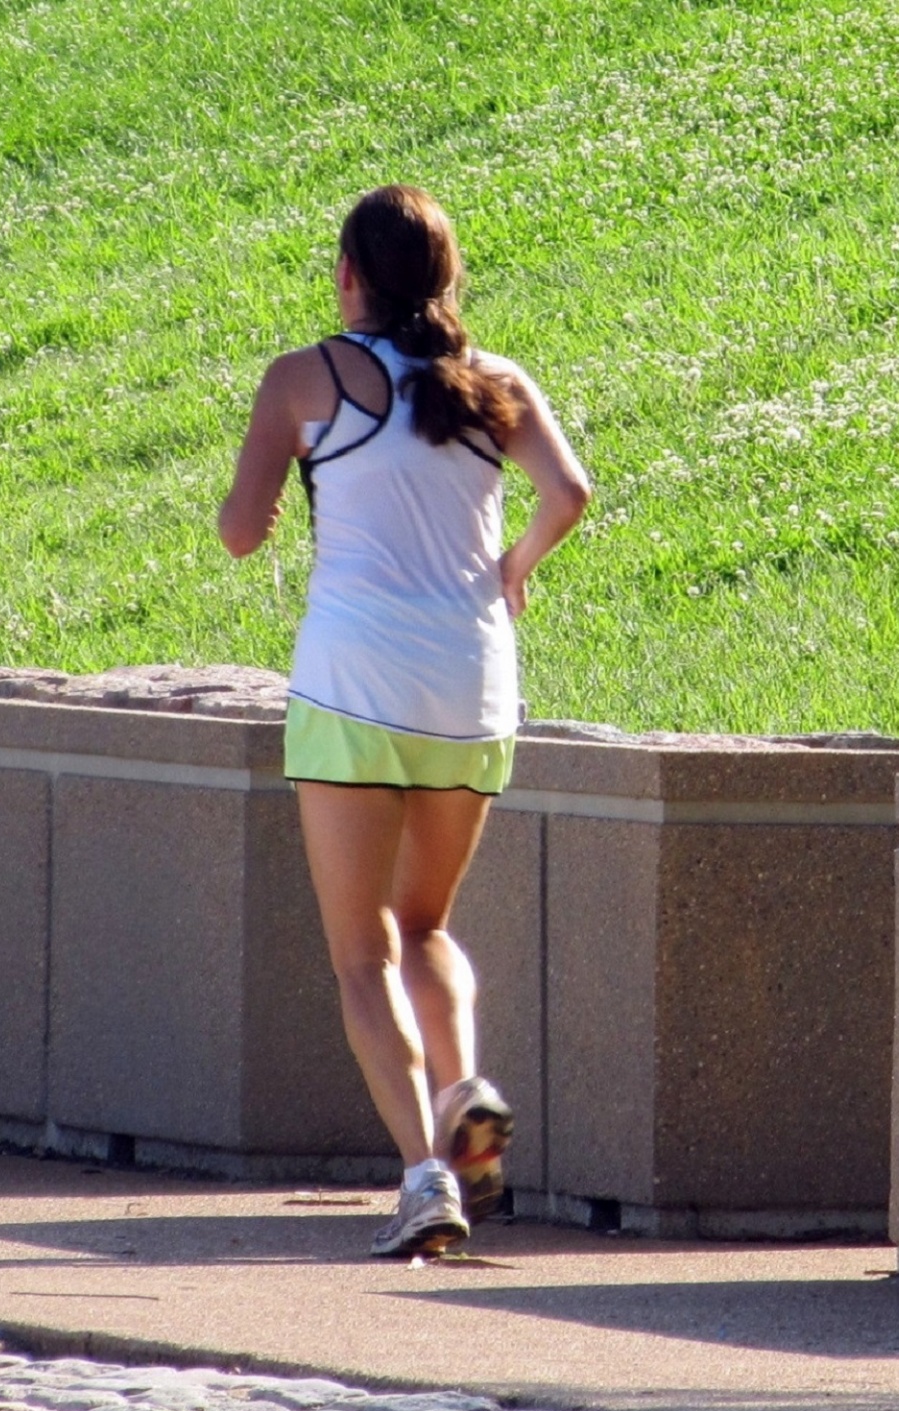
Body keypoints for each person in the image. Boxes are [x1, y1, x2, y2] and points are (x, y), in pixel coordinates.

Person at [218, 185, 590, 1258]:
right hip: (470, 686)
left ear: (348, 277)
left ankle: (428, 1178)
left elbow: (242, 535)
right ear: (447, 277)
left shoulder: (304, 379)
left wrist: (283, 477)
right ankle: (463, 1087)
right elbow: (570, 494)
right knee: (424, 924)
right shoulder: (495, 384)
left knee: (359, 952)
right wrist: (510, 574)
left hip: (351, 686)